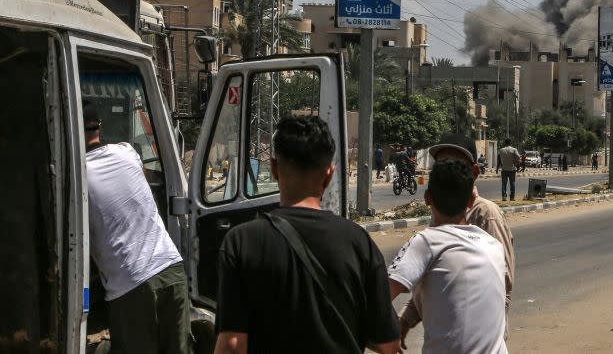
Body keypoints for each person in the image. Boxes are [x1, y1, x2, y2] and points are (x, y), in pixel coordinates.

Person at [214, 115, 400, 354]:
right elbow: (388, 344)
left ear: (273, 169)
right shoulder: (358, 241)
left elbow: (232, 345)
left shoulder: (241, 241)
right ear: (329, 174)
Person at [83, 99, 191, 354]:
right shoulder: (126, 152)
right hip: (170, 268)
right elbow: (146, 179)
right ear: (99, 126)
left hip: (129, 284)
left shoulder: (77, 174)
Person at [397, 135, 515, 346]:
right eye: (441, 165)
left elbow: (502, 283)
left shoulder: (486, 214)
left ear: (474, 172)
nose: (447, 171)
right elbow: (431, 281)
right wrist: (405, 320)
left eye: (456, 164)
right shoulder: (440, 216)